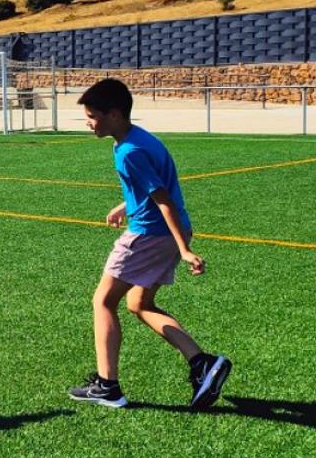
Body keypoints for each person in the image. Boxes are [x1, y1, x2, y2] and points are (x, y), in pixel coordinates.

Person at [68, 78, 231, 409]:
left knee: (103, 301)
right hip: (169, 233)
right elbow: (152, 188)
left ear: (114, 114)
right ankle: (202, 363)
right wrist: (125, 205)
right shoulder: (138, 139)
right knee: (139, 304)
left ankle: (107, 386)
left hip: (149, 236)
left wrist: (184, 250)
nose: (88, 122)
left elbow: (163, 199)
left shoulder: (129, 151)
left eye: (92, 115)